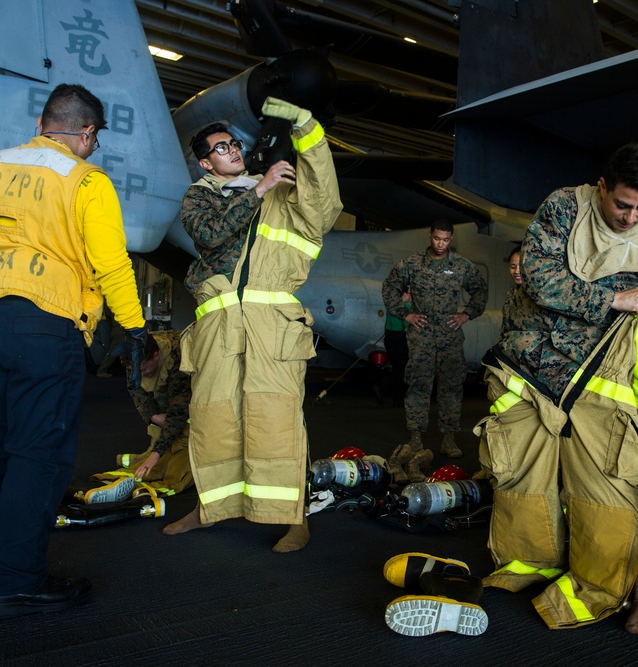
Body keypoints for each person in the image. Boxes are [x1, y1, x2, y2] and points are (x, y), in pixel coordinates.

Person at [477, 143, 638, 635]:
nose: (631, 217)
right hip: (531, 369)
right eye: (622, 205)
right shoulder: (564, 207)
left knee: (612, 488)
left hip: (599, 377)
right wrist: (612, 297)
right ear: (602, 186)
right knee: (524, 481)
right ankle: (536, 563)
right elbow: (540, 277)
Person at [0, 83, 146, 617]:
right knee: (37, 456)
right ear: (85, 133)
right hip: (45, 327)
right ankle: (13, 583)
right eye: (95, 139)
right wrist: (133, 325)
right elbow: (111, 262)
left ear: (40, 123)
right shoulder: (85, 179)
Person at [163, 98, 343, 552]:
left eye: (234, 143)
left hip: (273, 328)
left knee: (277, 421)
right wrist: (257, 189)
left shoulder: (284, 195)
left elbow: (325, 200)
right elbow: (208, 233)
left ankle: (294, 516)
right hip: (218, 329)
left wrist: (306, 128)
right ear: (205, 162)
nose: (233, 150)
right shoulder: (200, 196)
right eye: (221, 147)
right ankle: (211, 508)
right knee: (214, 419)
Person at [382, 220, 488, 467]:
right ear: (430, 235)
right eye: (437, 238)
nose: (441, 244)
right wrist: (405, 314)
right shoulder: (412, 264)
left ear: (451, 239)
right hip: (421, 335)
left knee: (451, 386)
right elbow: (390, 287)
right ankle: (416, 437)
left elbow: (480, 290)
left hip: (450, 336)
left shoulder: (461, 266)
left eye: (446, 240)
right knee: (418, 385)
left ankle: (449, 439)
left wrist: (466, 314)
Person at [89, 329, 194, 496]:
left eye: (144, 368)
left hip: (192, 402)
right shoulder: (133, 354)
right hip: (166, 401)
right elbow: (136, 389)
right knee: (156, 457)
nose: (142, 373)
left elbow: (178, 410)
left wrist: (156, 454)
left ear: (156, 356)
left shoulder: (178, 356)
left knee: (179, 469)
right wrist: (152, 416)